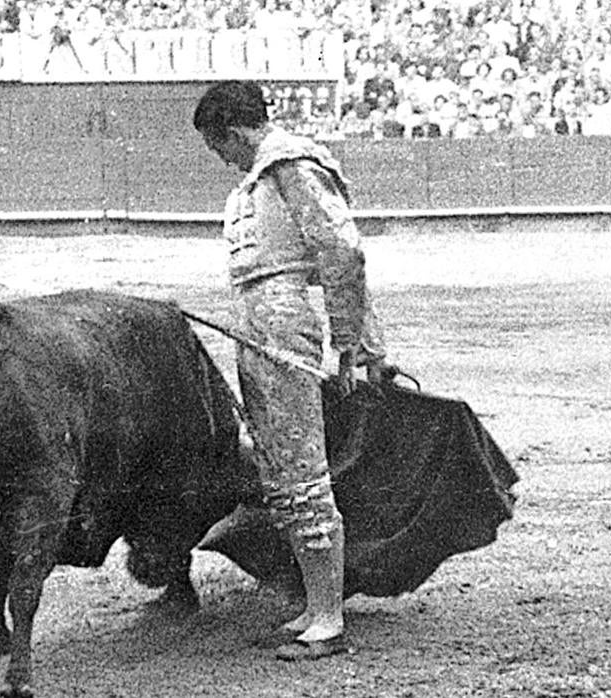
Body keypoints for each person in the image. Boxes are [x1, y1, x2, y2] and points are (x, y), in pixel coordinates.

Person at [192, 80, 384, 661]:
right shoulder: (267, 175)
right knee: (281, 471)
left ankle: (328, 617)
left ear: (235, 130)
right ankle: (316, 604)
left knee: (300, 472)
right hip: (262, 326)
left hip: (282, 330)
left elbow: (343, 252)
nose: (220, 157)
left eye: (217, 144)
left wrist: (352, 341)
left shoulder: (289, 165)